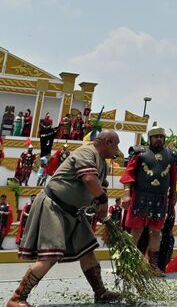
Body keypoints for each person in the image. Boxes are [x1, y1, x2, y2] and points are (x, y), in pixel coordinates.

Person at [7, 131, 122, 307]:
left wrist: (100, 207)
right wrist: (103, 201)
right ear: (108, 142)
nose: (117, 150)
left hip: (74, 212)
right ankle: (17, 298)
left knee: (87, 250)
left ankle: (100, 292)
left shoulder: (103, 164)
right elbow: (89, 179)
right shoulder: (86, 152)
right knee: (50, 255)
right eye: (116, 145)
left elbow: (99, 186)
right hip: (55, 206)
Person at [120, 123, 177, 275]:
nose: (158, 139)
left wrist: (173, 194)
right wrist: (126, 193)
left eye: (161, 136)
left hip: (160, 199)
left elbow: (173, 178)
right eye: (155, 137)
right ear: (150, 138)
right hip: (140, 197)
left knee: (156, 232)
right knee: (136, 231)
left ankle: (153, 266)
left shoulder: (170, 155)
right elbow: (129, 174)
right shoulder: (140, 153)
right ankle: (129, 265)